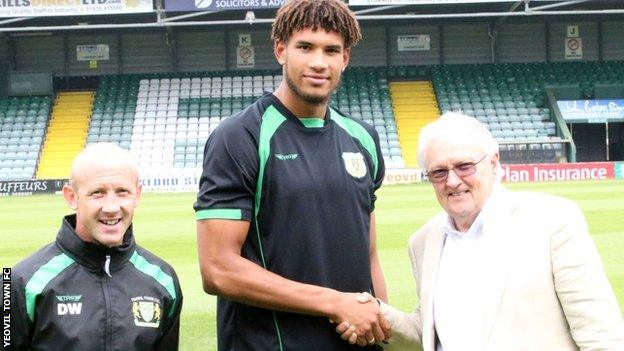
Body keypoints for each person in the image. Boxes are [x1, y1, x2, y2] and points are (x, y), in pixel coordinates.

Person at [194, 0, 390, 350]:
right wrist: (334, 302)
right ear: (281, 50)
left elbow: (369, 255)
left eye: (331, 50)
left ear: (344, 59)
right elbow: (218, 269)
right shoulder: (239, 137)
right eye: (305, 47)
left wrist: (379, 323)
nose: (319, 62)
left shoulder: (364, 139)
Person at [338, 112, 624, 350]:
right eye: (438, 172)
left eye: (464, 166)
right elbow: (427, 332)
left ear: (494, 162)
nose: (452, 181)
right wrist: (375, 311)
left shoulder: (553, 221)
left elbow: (601, 336)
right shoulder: (424, 241)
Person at [10, 143, 183, 351]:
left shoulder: (164, 280)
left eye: (122, 192)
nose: (111, 207)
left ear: (137, 195)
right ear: (72, 197)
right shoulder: (18, 281)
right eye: (97, 193)